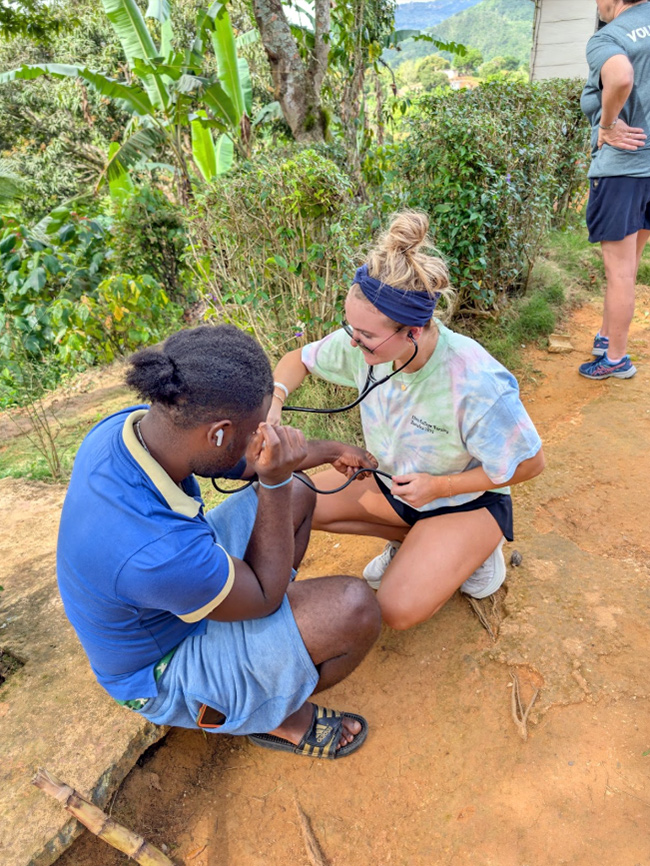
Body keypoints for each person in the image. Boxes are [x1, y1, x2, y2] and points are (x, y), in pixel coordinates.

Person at [57, 325, 382, 760]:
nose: (262, 437)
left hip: (173, 589)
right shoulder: (156, 552)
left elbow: (243, 461)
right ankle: (273, 712)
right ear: (218, 433)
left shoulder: (132, 430)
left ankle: (264, 647)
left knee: (298, 493)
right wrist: (275, 479)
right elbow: (265, 596)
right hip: (162, 668)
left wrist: (330, 450)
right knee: (353, 608)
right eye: (256, 429)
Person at [269, 212, 544, 631]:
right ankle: (415, 546)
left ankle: (475, 555)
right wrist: (274, 402)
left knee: (395, 610)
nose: (353, 343)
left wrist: (441, 486)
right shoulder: (365, 343)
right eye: (350, 328)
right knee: (291, 497)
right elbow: (298, 360)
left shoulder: (474, 380)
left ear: (413, 330)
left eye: (366, 336)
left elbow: (531, 463)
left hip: (464, 504)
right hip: (395, 489)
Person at [578, 0, 650, 380]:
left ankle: (616, 360)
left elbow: (620, 77)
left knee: (619, 272)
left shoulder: (610, 37)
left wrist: (606, 124)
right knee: (630, 264)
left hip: (624, 170)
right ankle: (607, 337)